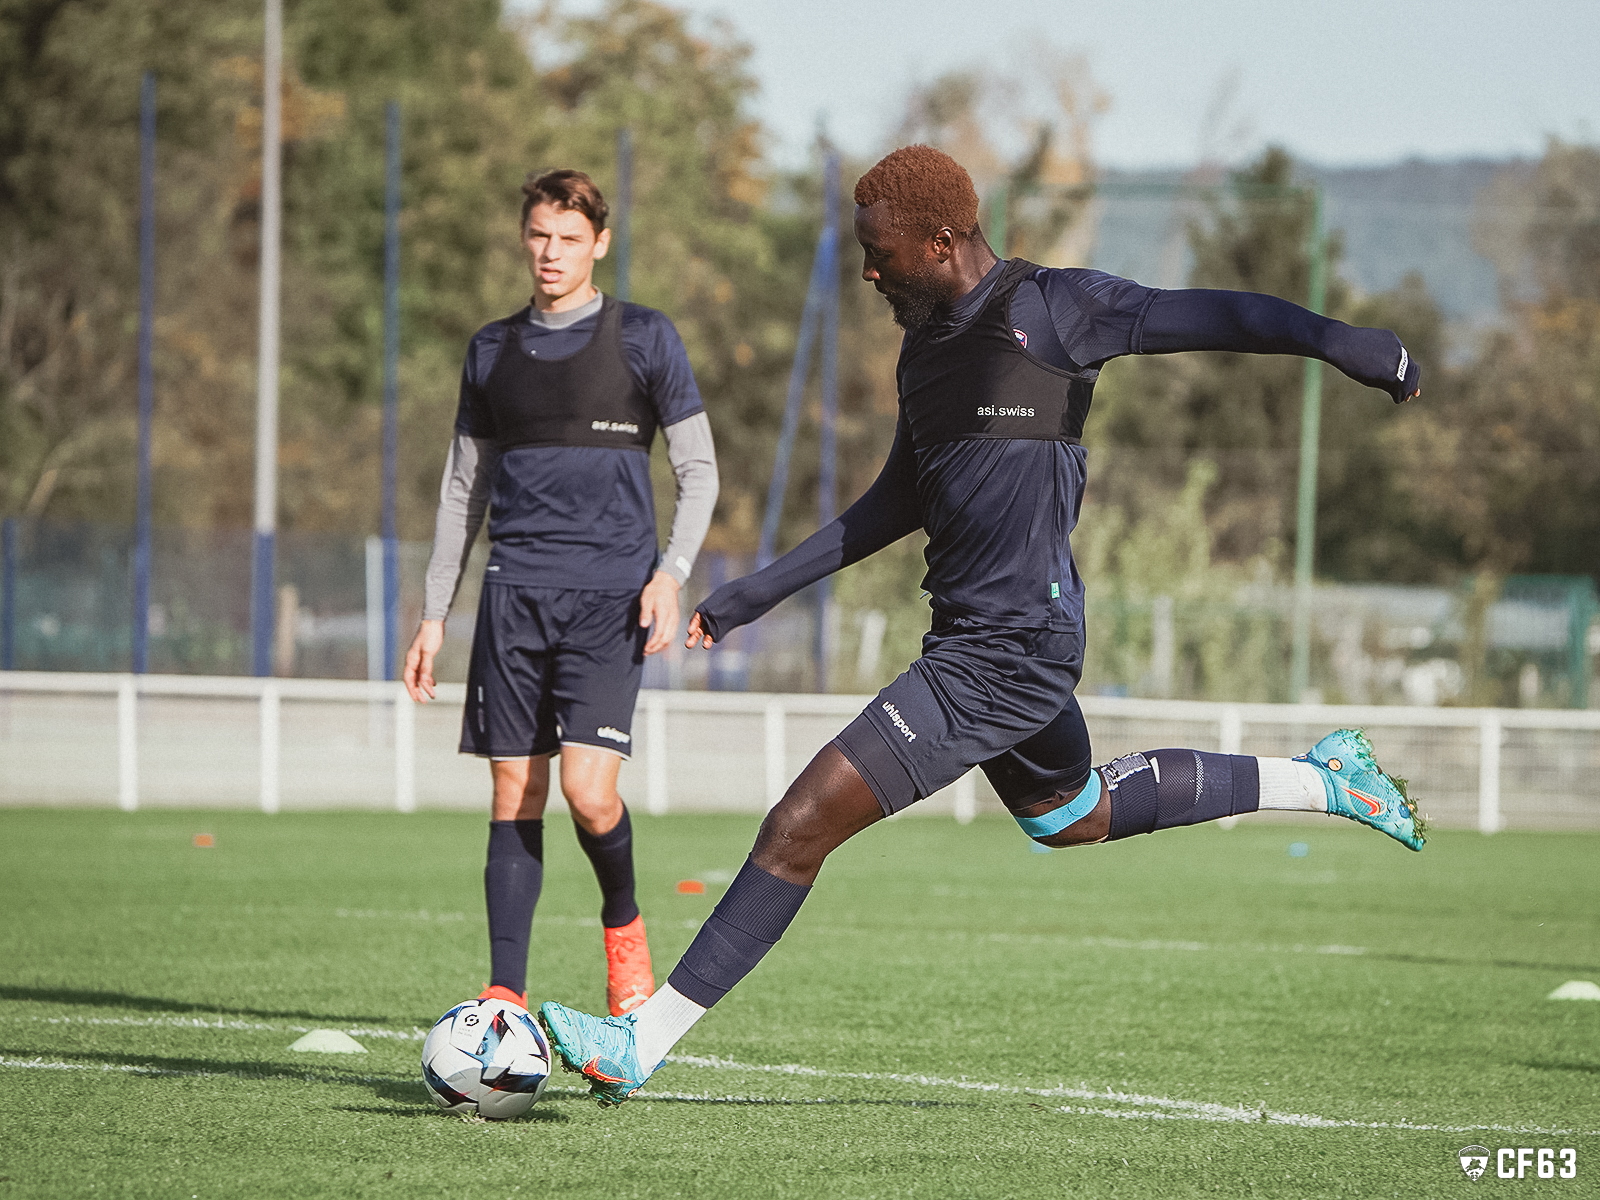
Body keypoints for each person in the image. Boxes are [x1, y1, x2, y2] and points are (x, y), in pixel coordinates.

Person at [537, 145, 1424, 1104]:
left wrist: (1339, 338)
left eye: (881, 253)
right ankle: (1328, 779)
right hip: (977, 639)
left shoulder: (1054, 310)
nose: (870, 271)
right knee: (1070, 814)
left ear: (943, 239)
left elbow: (1218, 312)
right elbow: (896, 500)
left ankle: (644, 1040)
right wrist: (759, 590)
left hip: (1006, 655)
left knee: (796, 827)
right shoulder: (922, 352)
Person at [403, 168, 718, 1018]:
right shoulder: (491, 351)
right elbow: (462, 490)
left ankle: (625, 928)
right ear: (523, 238)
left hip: (610, 598)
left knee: (588, 790)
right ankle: (505, 991)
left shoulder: (646, 338)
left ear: (600, 245)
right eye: (540, 236)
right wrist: (434, 614)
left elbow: (698, 472)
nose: (552, 253)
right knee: (515, 791)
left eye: (570, 239)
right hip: (513, 598)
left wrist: (670, 573)